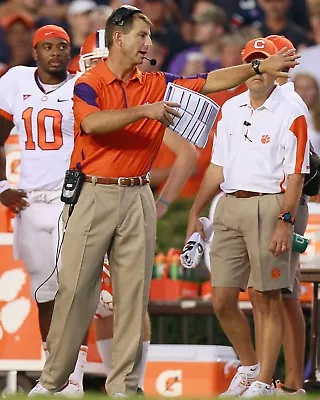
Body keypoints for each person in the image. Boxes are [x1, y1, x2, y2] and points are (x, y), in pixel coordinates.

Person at [28, 6, 299, 397]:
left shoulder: (158, 81)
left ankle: (124, 385)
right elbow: (92, 124)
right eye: (142, 35)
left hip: (137, 193)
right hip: (92, 191)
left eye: (150, 36)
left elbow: (211, 80)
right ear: (118, 38)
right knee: (75, 290)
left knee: (133, 294)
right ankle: (52, 381)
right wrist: (145, 110)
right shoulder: (90, 81)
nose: (148, 43)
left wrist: (258, 69)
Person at [186, 37, 309, 397]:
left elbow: (297, 173)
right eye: (253, 62)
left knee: (269, 294)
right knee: (222, 297)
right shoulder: (231, 107)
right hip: (230, 202)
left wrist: (284, 220)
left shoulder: (291, 107)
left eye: (265, 61)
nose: (259, 71)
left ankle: (267, 381)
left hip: (272, 202)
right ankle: (252, 366)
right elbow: (217, 164)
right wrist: (196, 210)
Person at [0, 25, 88, 396]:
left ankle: (74, 378)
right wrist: (2, 186)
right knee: (44, 293)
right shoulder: (16, 80)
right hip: (31, 202)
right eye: (47, 46)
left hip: (71, 199)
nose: (55, 52)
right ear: (35, 52)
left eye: (62, 47)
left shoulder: (82, 85)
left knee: (75, 287)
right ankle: (53, 374)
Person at [248, 34, 308, 396]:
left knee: (281, 292)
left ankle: (290, 380)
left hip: (284, 201)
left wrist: (284, 217)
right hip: (272, 200)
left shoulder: (287, 101)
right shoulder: (271, 95)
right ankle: (276, 375)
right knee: (269, 292)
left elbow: (297, 169)